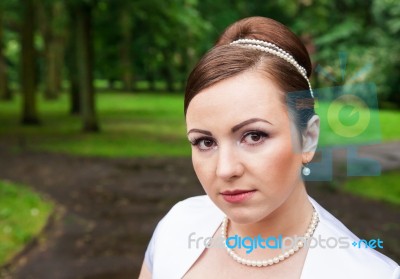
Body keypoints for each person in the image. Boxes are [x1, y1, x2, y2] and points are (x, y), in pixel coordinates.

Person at [139, 17, 399, 279]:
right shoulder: (176, 228)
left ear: (308, 137)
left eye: (254, 136)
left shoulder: (368, 273)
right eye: (205, 142)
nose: (225, 169)